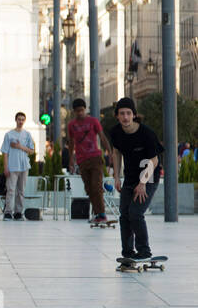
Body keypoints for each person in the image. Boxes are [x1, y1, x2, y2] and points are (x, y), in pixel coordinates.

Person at [108, 97, 163, 262]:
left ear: (134, 115)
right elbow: (116, 152)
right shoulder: (116, 132)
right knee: (124, 215)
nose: (125, 117)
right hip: (130, 177)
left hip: (149, 177)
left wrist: (142, 183)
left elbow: (154, 161)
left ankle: (144, 251)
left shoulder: (146, 133)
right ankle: (128, 252)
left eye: (128, 113)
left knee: (135, 213)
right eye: (122, 113)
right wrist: (117, 177)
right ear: (117, 115)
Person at [66, 98, 112, 224]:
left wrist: (110, 152)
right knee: (89, 188)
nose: (80, 113)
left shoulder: (93, 121)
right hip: (82, 160)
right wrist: (71, 159)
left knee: (96, 186)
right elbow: (71, 142)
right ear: (74, 111)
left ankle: (102, 214)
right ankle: (98, 214)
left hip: (95, 158)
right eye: (77, 111)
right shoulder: (71, 125)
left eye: (81, 110)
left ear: (85, 109)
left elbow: (102, 137)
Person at [0, 112, 36, 220]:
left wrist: (20, 146)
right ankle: (8, 212)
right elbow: (5, 152)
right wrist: (6, 167)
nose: (20, 121)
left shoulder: (27, 134)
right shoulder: (9, 134)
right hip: (12, 166)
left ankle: (18, 212)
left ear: (24, 121)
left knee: (21, 191)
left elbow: (31, 151)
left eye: (22, 119)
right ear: (15, 120)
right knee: (10, 190)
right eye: (19, 119)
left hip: (24, 166)